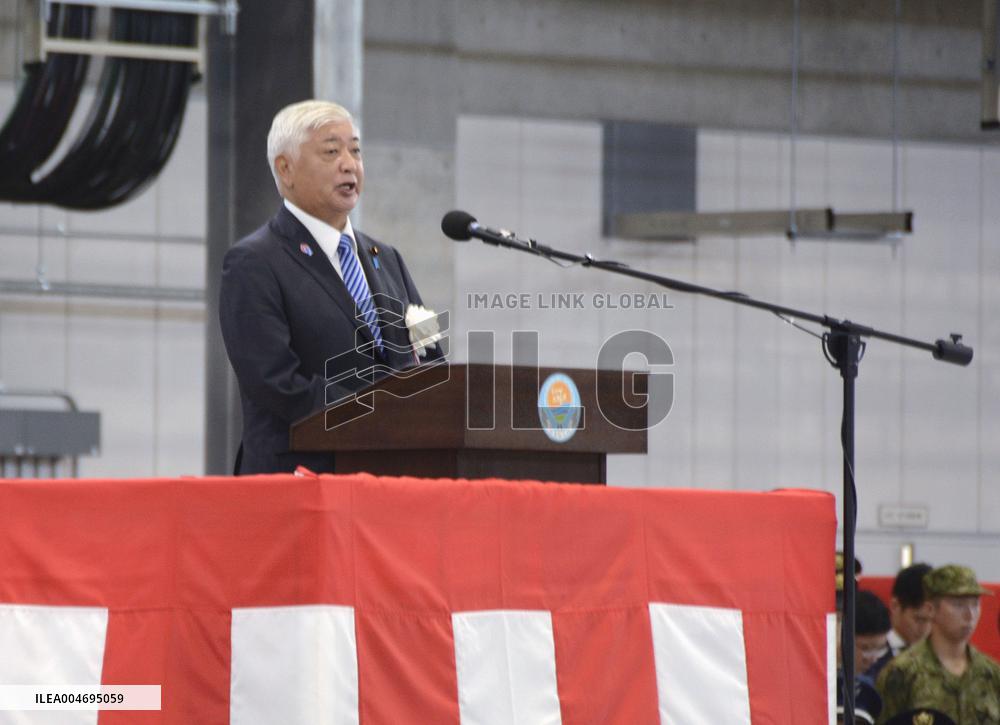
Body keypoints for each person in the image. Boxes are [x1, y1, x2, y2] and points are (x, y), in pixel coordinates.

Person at [219, 100, 443, 474]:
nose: (349, 164)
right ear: (285, 169)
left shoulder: (386, 259)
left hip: (390, 480)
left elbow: (431, 359)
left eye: (355, 150)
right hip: (299, 482)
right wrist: (380, 418)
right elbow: (277, 384)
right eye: (331, 151)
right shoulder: (255, 263)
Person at [876, 564, 1000, 724]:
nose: (970, 614)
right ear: (930, 609)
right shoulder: (902, 672)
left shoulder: (991, 673)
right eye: (958, 605)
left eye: (975, 604)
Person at [868, 563, 934, 680]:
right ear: (895, 606)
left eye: (932, 621)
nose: (925, 628)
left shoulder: (941, 658)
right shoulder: (869, 652)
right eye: (919, 619)